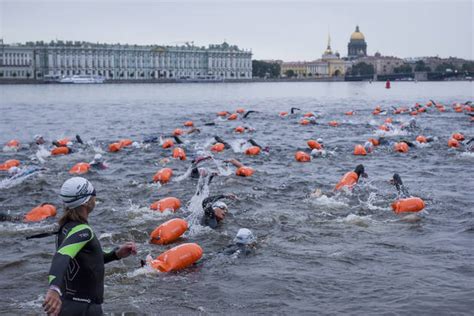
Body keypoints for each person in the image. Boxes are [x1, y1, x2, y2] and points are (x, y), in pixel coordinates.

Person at [42, 177, 137, 316]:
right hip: (84, 308)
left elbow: (86, 259)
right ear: (86, 201)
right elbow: (61, 256)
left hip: (67, 304)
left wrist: (115, 254)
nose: (95, 197)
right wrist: (53, 288)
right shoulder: (83, 231)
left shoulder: (65, 227)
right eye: (94, 193)